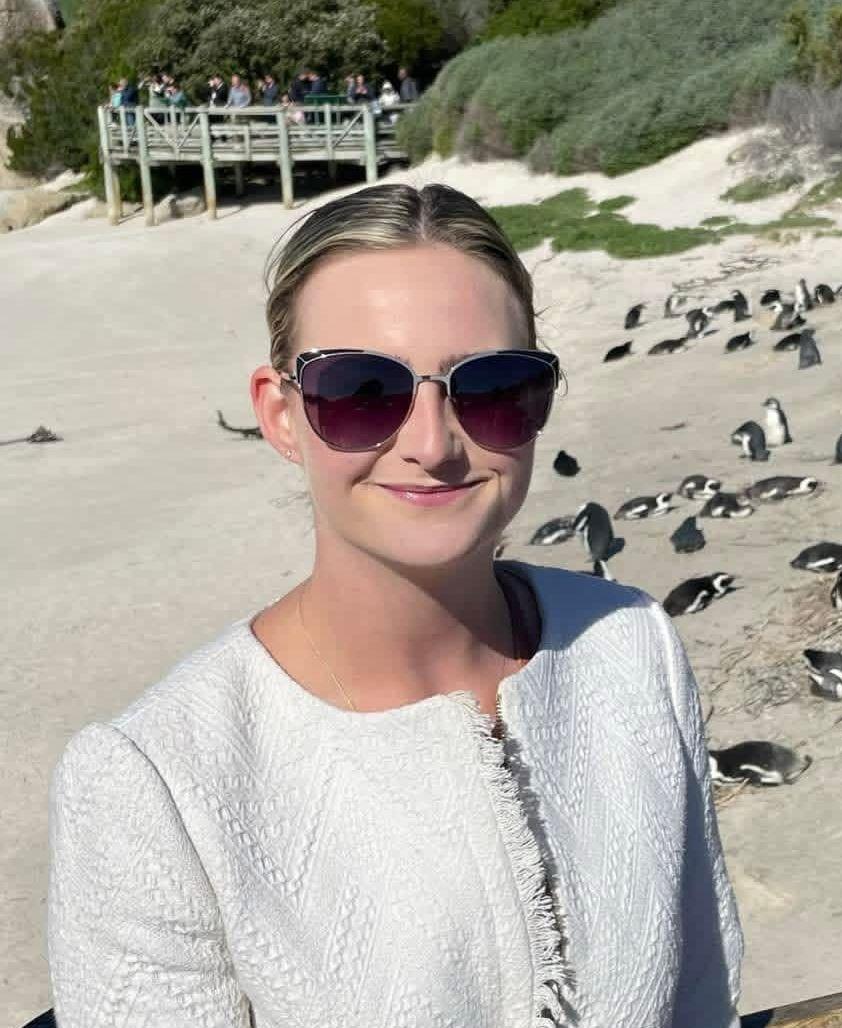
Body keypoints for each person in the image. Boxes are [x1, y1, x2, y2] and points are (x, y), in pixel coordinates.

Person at [46, 182, 743, 1028]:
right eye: (361, 390)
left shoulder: (632, 649)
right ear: (282, 415)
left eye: (490, 387)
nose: (432, 443)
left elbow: (702, 997)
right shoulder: (157, 784)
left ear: (540, 401)